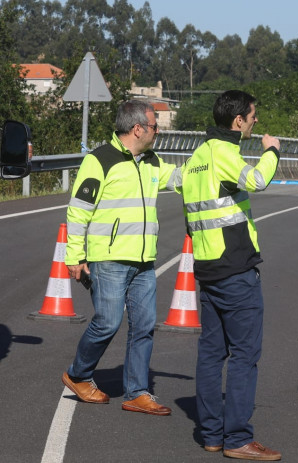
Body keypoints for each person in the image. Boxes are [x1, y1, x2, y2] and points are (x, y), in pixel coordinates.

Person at [175, 90, 281, 461]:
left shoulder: (197, 157)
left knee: (210, 354)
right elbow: (256, 181)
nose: (255, 121)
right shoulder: (224, 154)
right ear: (238, 121)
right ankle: (237, 438)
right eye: (252, 116)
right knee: (244, 355)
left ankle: (211, 435)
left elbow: (193, 215)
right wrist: (273, 151)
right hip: (235, 268)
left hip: (207, 267)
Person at [62, 100, 180, 416]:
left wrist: (209, 168)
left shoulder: (153, 161)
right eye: (155, 126)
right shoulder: (100, 160)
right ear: (137, 128)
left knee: (144, 325)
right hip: (109, 259)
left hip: (143, 260)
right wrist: (75, 256)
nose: (158, 131)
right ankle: (78, 374)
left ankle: (138, 392)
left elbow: (180, 178)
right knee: (108, 322)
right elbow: (78, 211)